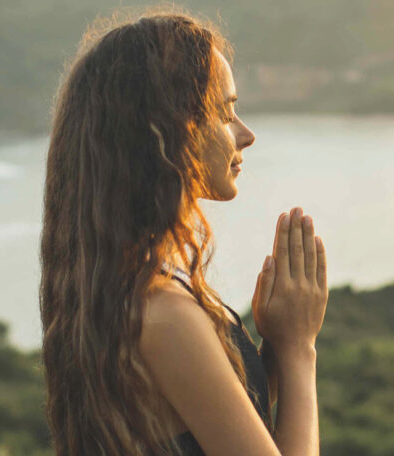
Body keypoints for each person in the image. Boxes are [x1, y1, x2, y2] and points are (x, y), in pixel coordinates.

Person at [38, 9, 327, 456]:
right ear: (169, 130)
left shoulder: (126, 290)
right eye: (226, 112)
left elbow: (204, 423)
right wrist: (299, 350)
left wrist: (271, 350)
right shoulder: (161, 312)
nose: (245, 135)